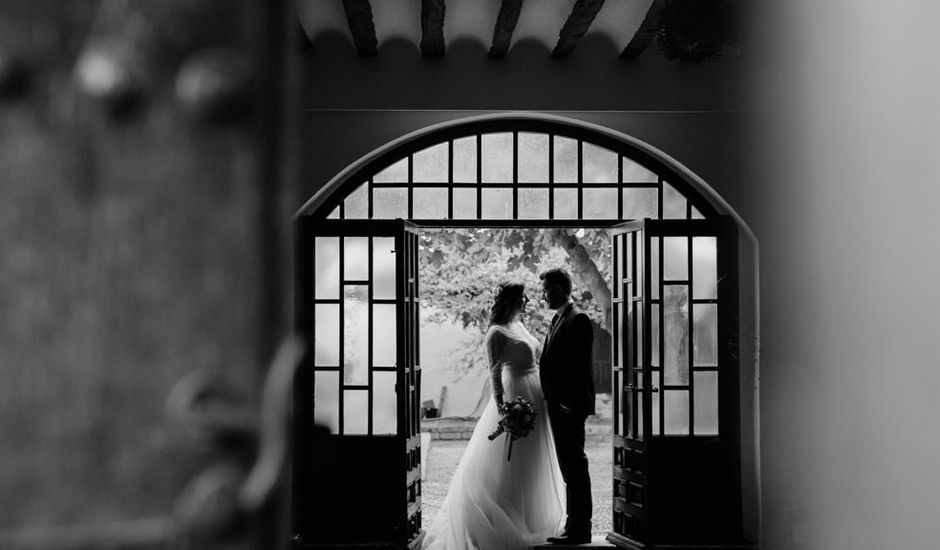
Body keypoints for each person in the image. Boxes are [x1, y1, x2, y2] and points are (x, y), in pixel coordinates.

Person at [422, 282, 566, 550]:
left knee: (532, 461)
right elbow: (494, 373)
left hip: (535, 396)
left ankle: (529, 518)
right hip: (515, 397)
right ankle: (499, 519)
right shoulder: (496, 333)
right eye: (522, 297)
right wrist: (504, 408)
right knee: (507, 463)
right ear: (511, 300)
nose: (527, 301)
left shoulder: (520, 327)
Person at [539, 268, 596, 545]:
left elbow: (578, 366)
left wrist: (566, 402)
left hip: (568, 407)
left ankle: (580, 529)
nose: (543, 295)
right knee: (568, 466)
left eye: (546, 289)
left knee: (574, 465)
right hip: (558, 405)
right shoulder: (558, 319)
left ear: (561, 289)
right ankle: (574, 526)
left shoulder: (578, 319)